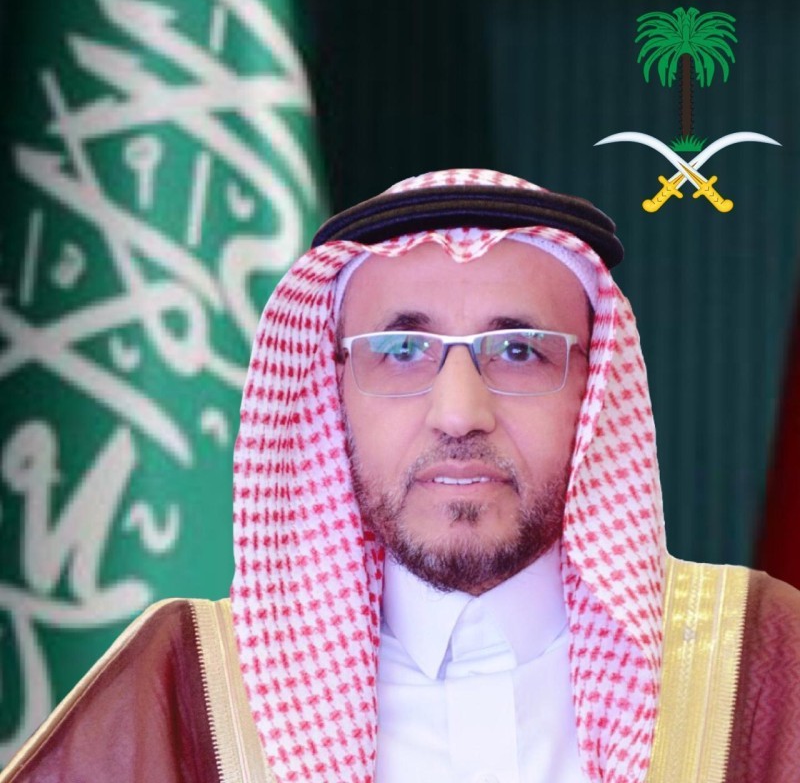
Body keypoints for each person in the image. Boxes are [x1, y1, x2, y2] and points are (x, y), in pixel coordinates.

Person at [2, 169, 799, 783]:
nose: (459, 413)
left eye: (519, 351)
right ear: (330, 391)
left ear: (595, 389)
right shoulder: (183, 693)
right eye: (401, 351)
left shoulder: (762, 664)